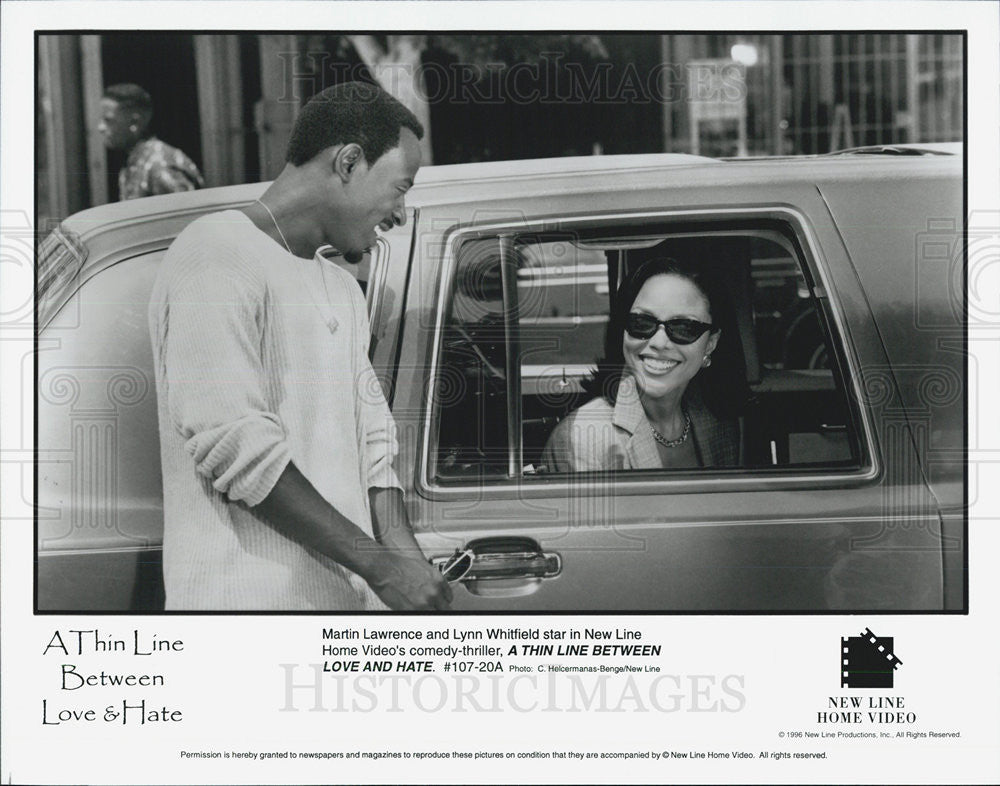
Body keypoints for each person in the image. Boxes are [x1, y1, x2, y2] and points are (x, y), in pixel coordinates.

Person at [148, 81, 451, 611]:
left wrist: (407, 570)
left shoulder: (340, 288)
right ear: (350, 162)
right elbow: (237, 446)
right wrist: (381, 568)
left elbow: (374, 449)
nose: (400, 213)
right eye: (400, 187)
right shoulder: (214, 253)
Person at [541, 257, 748, 472]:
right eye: (642, 323)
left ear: (711, 343)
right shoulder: (584, 437)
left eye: (684, 327)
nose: (658, 343)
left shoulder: (720, 420)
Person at [98, 83, 204, 200]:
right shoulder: (135, 162)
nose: (101, 127)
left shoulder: (160, 165)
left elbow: (186, 215)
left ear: (134, 122)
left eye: (109, 120)